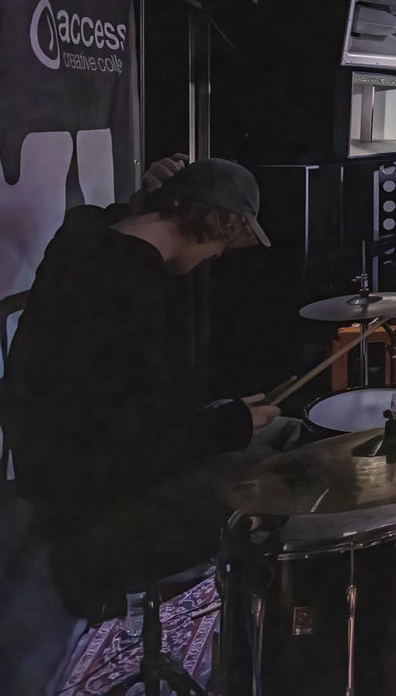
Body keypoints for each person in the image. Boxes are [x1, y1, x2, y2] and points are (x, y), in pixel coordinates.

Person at [0, 159, 281, 691]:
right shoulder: (134, 292)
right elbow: (140, 441)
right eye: (222, 243)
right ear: (212, 224)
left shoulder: (82, 238)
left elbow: (117, 407)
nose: (217, 256)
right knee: (269, 488)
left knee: (263, 443)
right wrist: (229, 425)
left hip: (45, 473)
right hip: (95, 501)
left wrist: (223, 419)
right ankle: (248, 671)